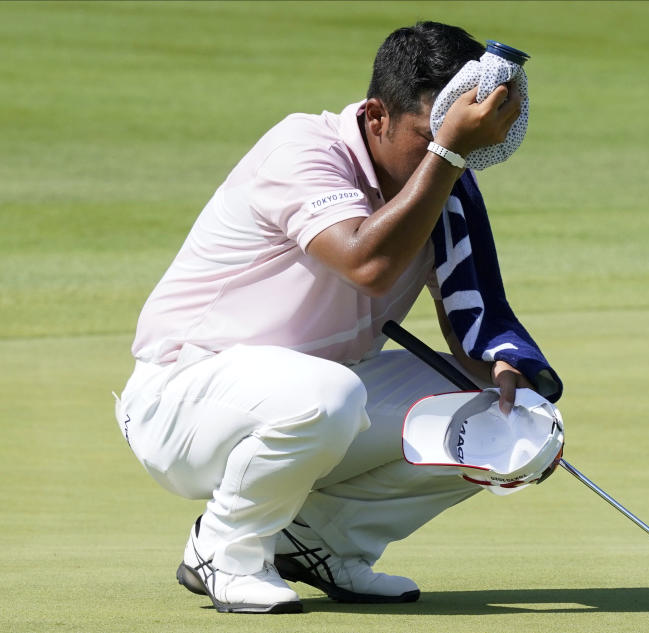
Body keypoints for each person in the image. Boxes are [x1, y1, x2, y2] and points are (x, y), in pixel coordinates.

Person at [114, 21, 550, 615]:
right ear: (376, 115)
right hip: (182, 400)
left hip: (315, 401)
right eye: (429, 137)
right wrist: (447, 155)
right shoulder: (303, 150)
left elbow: (471, 320)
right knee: (328, 395)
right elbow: (366, 264)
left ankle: (318, 542)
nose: (445, 156)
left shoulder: (445, 184)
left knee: (504, 416)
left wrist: (518, 411)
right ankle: (222, 552)